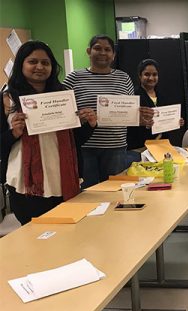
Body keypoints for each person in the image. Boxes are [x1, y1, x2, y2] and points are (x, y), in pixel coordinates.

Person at [1, 41, 96, 225]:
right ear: (21, 64)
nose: (39, 67)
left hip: (63, 179)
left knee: (67, 234)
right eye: (33, 61)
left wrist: (89, 125)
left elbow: (75, 141)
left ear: (52, 67)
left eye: (45, 63)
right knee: (35, 237)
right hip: (25, 185)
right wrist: (13, 133)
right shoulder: (7, 99)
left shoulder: (63, 96)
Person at [63, 34, 154, 188]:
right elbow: (64, 111)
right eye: (97, 48)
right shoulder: (74, 78)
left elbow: (129, 112)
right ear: (88, 51)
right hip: (85, 147)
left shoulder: (123, 78)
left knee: (116, 190)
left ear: (113, 55)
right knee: (88, 192)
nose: (102, 53)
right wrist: (79, 117)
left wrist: (141, 119)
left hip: (115, 147)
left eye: (107, 49)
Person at [126, 58, 184, 166]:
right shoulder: (133, 96)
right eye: (147, 74)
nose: (151, 78)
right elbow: (127, 123)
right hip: (139, 149)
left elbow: (166, 121)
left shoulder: (162, 96)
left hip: (161, 148)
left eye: (154, 74)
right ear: (140, 76)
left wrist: (176, 122)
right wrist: (141, 122)